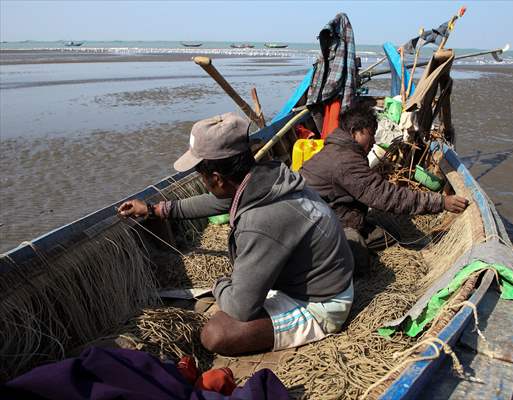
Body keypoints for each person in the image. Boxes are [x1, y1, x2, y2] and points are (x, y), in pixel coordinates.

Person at [118, 113, 354, 356]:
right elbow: (215, 202)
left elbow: (242, 309)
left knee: (217, 334)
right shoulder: (268, 177)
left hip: (322, 304)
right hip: (328, 276)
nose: (205, 183)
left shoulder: (260, 220)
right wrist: (155, 209)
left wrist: (220, 284)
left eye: (202, 176)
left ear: (217, 179)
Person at [300, 104, 469, 271]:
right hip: (316, 229)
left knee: (387, 236)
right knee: (360, 258)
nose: (374, 142)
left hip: (325, 214)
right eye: (371, 134)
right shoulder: (346, 161)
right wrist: (441, 202)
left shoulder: (337, 150)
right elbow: (388, 196)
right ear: (354, 132)